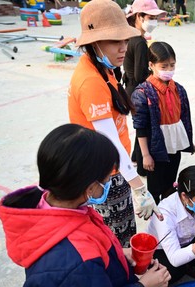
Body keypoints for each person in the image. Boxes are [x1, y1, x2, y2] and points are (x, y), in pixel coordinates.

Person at [0, 124, 171, 287]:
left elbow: (91, 252)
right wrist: (144, 285)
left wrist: (118, 254)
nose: (108, 183)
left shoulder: (57, 209)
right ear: (89, 188)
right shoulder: (74, 264)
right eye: (107, 179)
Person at [68, 0, 162, 248]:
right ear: (94, 42)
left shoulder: (103, 68)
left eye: (125, 40)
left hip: (115, 168)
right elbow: (108, 142)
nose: (123, 48)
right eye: (114, 41)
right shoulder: (90, 81)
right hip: (102, 172)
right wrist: (140, 188)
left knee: (124, 234)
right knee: (114, 243)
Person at [131, 41, 195, 204]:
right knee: (155, 185)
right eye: (164, 66)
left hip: (174, 144)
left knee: (170, 180)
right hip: (156, 147)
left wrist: (189, 141)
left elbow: (185, 118)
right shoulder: (142, 93)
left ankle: (168, 208)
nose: (169, 70)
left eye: (172, 65)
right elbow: (141, 127)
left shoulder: (178, 89)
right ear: (151, 65)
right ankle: (157, 213)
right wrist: (145, 155)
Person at [124, 0, 167, 167]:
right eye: (151, 17)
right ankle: (141, 162)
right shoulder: (140, 42)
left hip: (131, 89)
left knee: (140, 127)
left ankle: (136, 158)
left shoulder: (132, 37)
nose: (154, 22)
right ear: (139, 16)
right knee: (143, 128)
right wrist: (154, 74)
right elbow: (139, 74)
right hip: (138, 91)